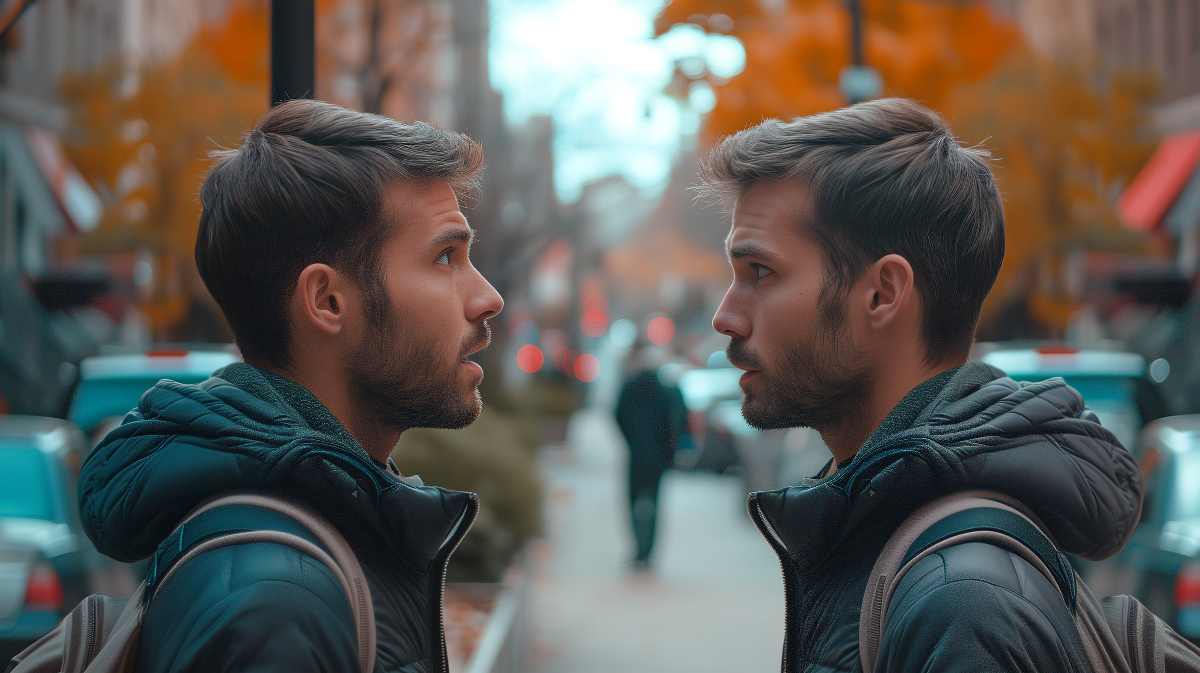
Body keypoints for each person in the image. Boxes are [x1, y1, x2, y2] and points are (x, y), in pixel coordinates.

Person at [701, 98, 1141, 672]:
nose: (725, 316)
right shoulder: (891, 532)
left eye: (760, 272)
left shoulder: (961, 605)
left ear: (883, 294)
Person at [76, 99, 503, 673]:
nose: (488, 298)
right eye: (445, 257)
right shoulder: (278, 600)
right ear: (327, 301)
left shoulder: (312, 546)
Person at [614, 340, 686, 568]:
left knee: (632, 501)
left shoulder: (629, 386)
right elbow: (675, 421)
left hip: (636, 455)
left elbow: (617, 415)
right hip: (658, 456)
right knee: (654, 502)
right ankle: (648, 552)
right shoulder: (665, 390)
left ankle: (638, 548)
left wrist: (630, 440)